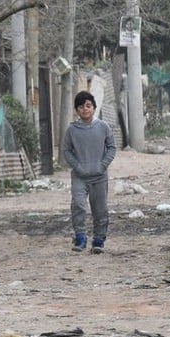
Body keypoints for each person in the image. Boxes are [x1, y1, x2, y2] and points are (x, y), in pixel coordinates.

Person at [61, 90, 117, 253]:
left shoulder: (103, 126)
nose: (85, 109)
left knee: (100, 209)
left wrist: (102, 166)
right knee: (78, 205)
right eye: (81, 107)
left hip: (99, 177)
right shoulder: (72, 130)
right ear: (76, 110)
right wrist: (77, 166)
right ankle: (80, 238)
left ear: (94, 107)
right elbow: (66, 150)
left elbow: (112, 148)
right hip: (79, 177)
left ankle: (99, 240)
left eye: (88, 106)